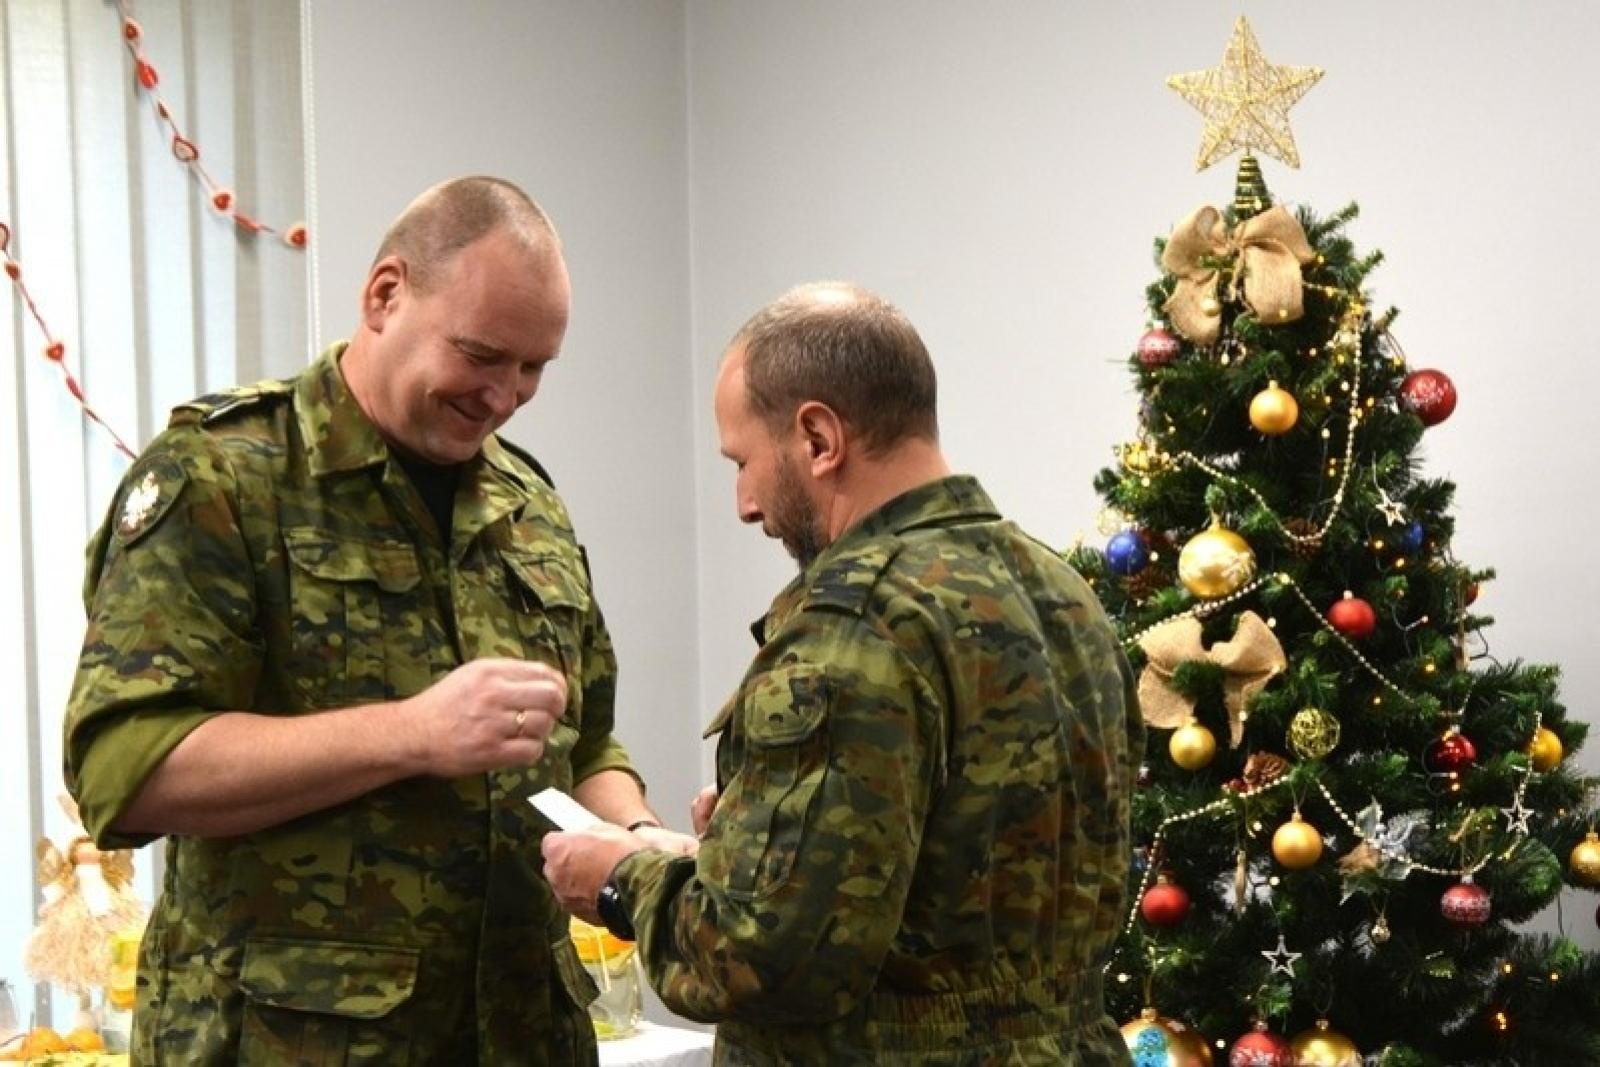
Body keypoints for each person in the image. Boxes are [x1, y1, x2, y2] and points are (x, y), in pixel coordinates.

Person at [64, 176, 689, 1065]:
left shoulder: (528, 503)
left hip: (517, 1031)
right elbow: (123, 769)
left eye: (534, 367)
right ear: (385, 295)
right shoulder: (224, 479)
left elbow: (583, 743)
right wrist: (412, 733)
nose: (504, 395)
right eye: (481, 354)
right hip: (294, 1040)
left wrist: (630, 835)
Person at [543, 282, 1142, 1064]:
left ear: (819, 438)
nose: (744, 504)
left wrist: (622, 877)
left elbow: (761, 958)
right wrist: (759, 846)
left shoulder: (853, 626)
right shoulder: (1062, 594)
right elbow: (986, 870)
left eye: (744, 461)